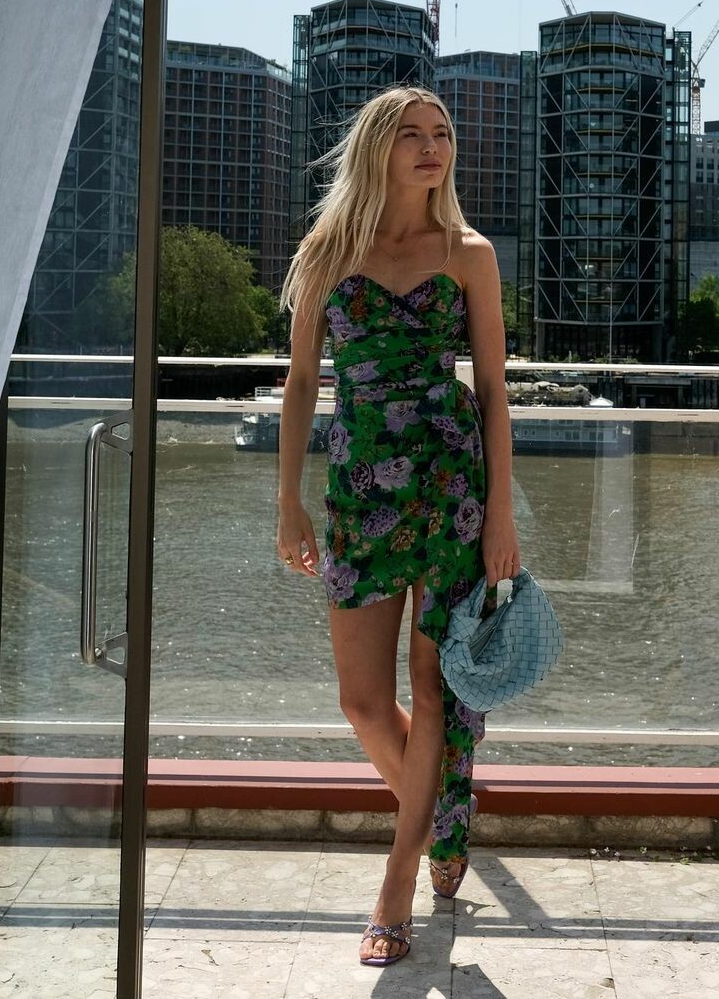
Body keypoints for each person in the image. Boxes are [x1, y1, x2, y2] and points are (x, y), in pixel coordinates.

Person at [275, 85, 521, 965]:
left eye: (442, 134)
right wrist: (288, 499)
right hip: (358, 488)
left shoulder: (470, 254)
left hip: (453, 486)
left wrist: (501, 514)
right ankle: (446, 813)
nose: (431, 147)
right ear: (377, 147)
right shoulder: (327, 250)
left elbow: (493, 390)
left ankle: (398, 882)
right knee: (363, 702)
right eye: (412, 134)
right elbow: (302, 382)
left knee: (433, 687)